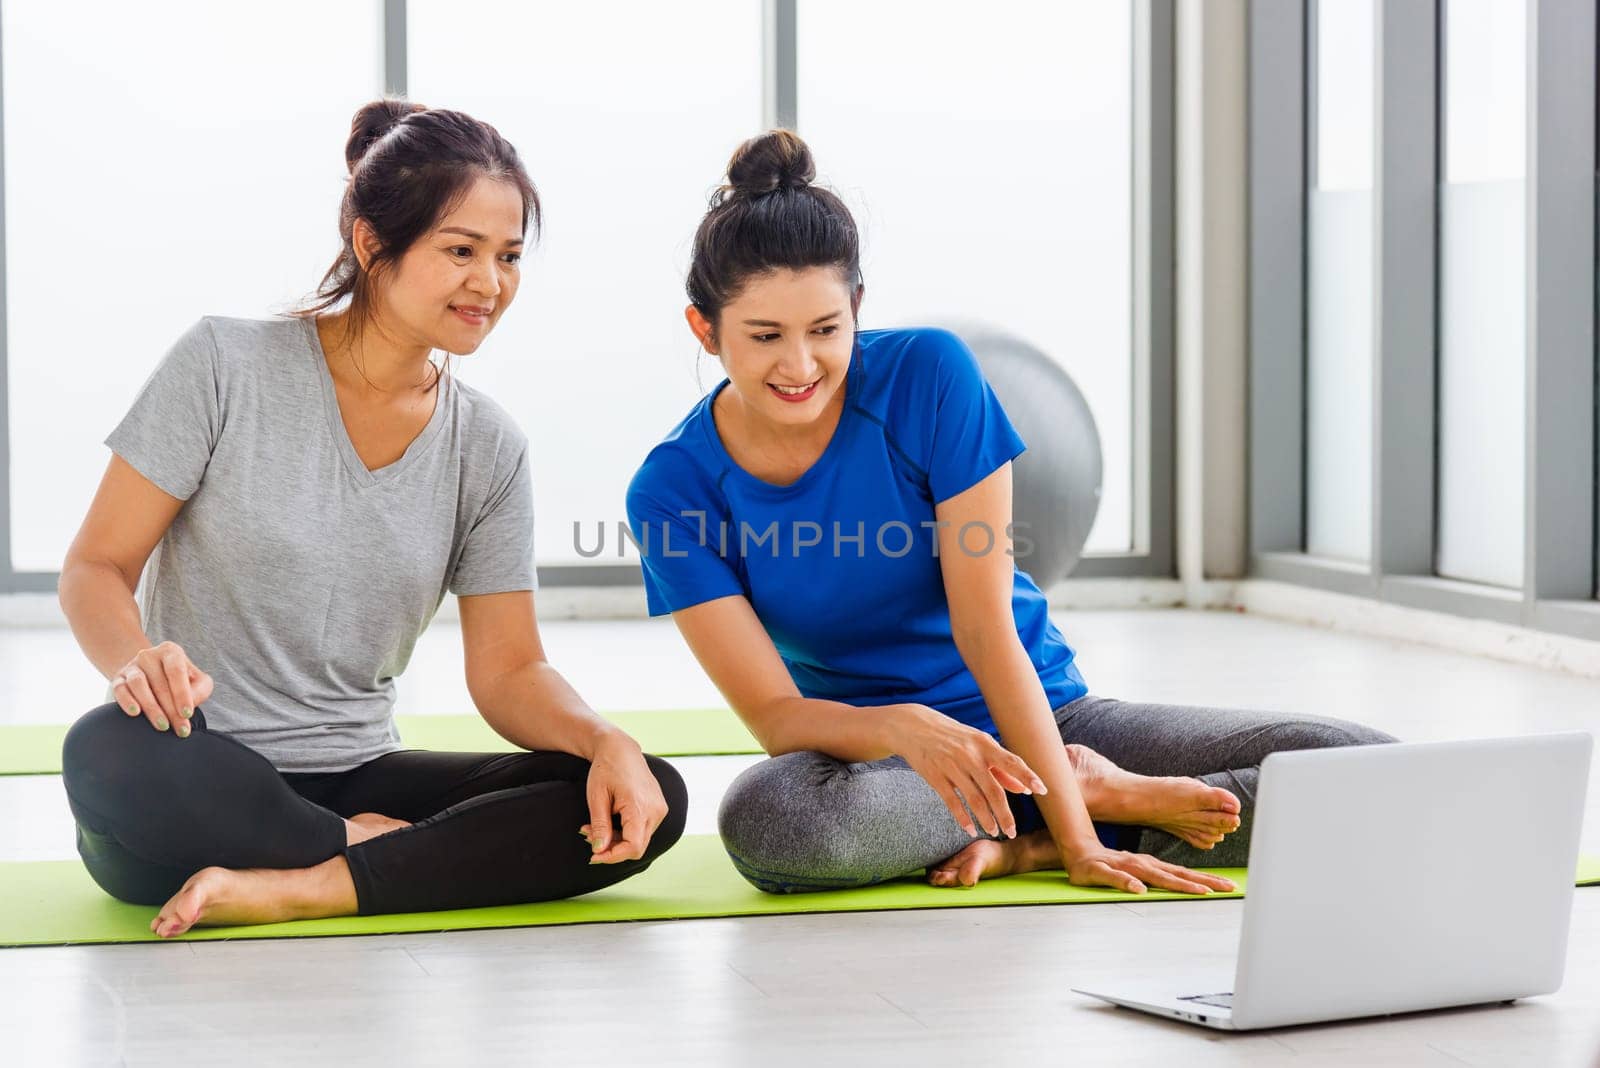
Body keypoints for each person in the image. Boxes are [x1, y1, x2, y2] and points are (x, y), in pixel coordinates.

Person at [626, 130, 1394, 896]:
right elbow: (776, 717)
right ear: (706, 329)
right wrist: (897, 725)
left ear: (857, 305)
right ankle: (1075, 796)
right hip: (877, 766)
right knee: (775, 826)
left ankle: (1047, 822)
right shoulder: (673, 490)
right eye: (765, 337)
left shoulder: (930, 374)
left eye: (826, 330)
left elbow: (986, 629)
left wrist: (1079, 843)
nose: (800, 366)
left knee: (1366, 766)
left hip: (1042, 719)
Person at [58, 100, 686, 938]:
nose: (490, 284)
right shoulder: (223, 365)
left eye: (507, 257)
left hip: (360, 770)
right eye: (460, 251)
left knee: (647, 792)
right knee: (103, 752)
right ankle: (360, 855)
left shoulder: (488, 446)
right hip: (197, 771)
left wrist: (606, 741)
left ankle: (306, 884)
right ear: (370, 244)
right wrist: (138, 662)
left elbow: (508, 671)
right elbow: (95, 568)